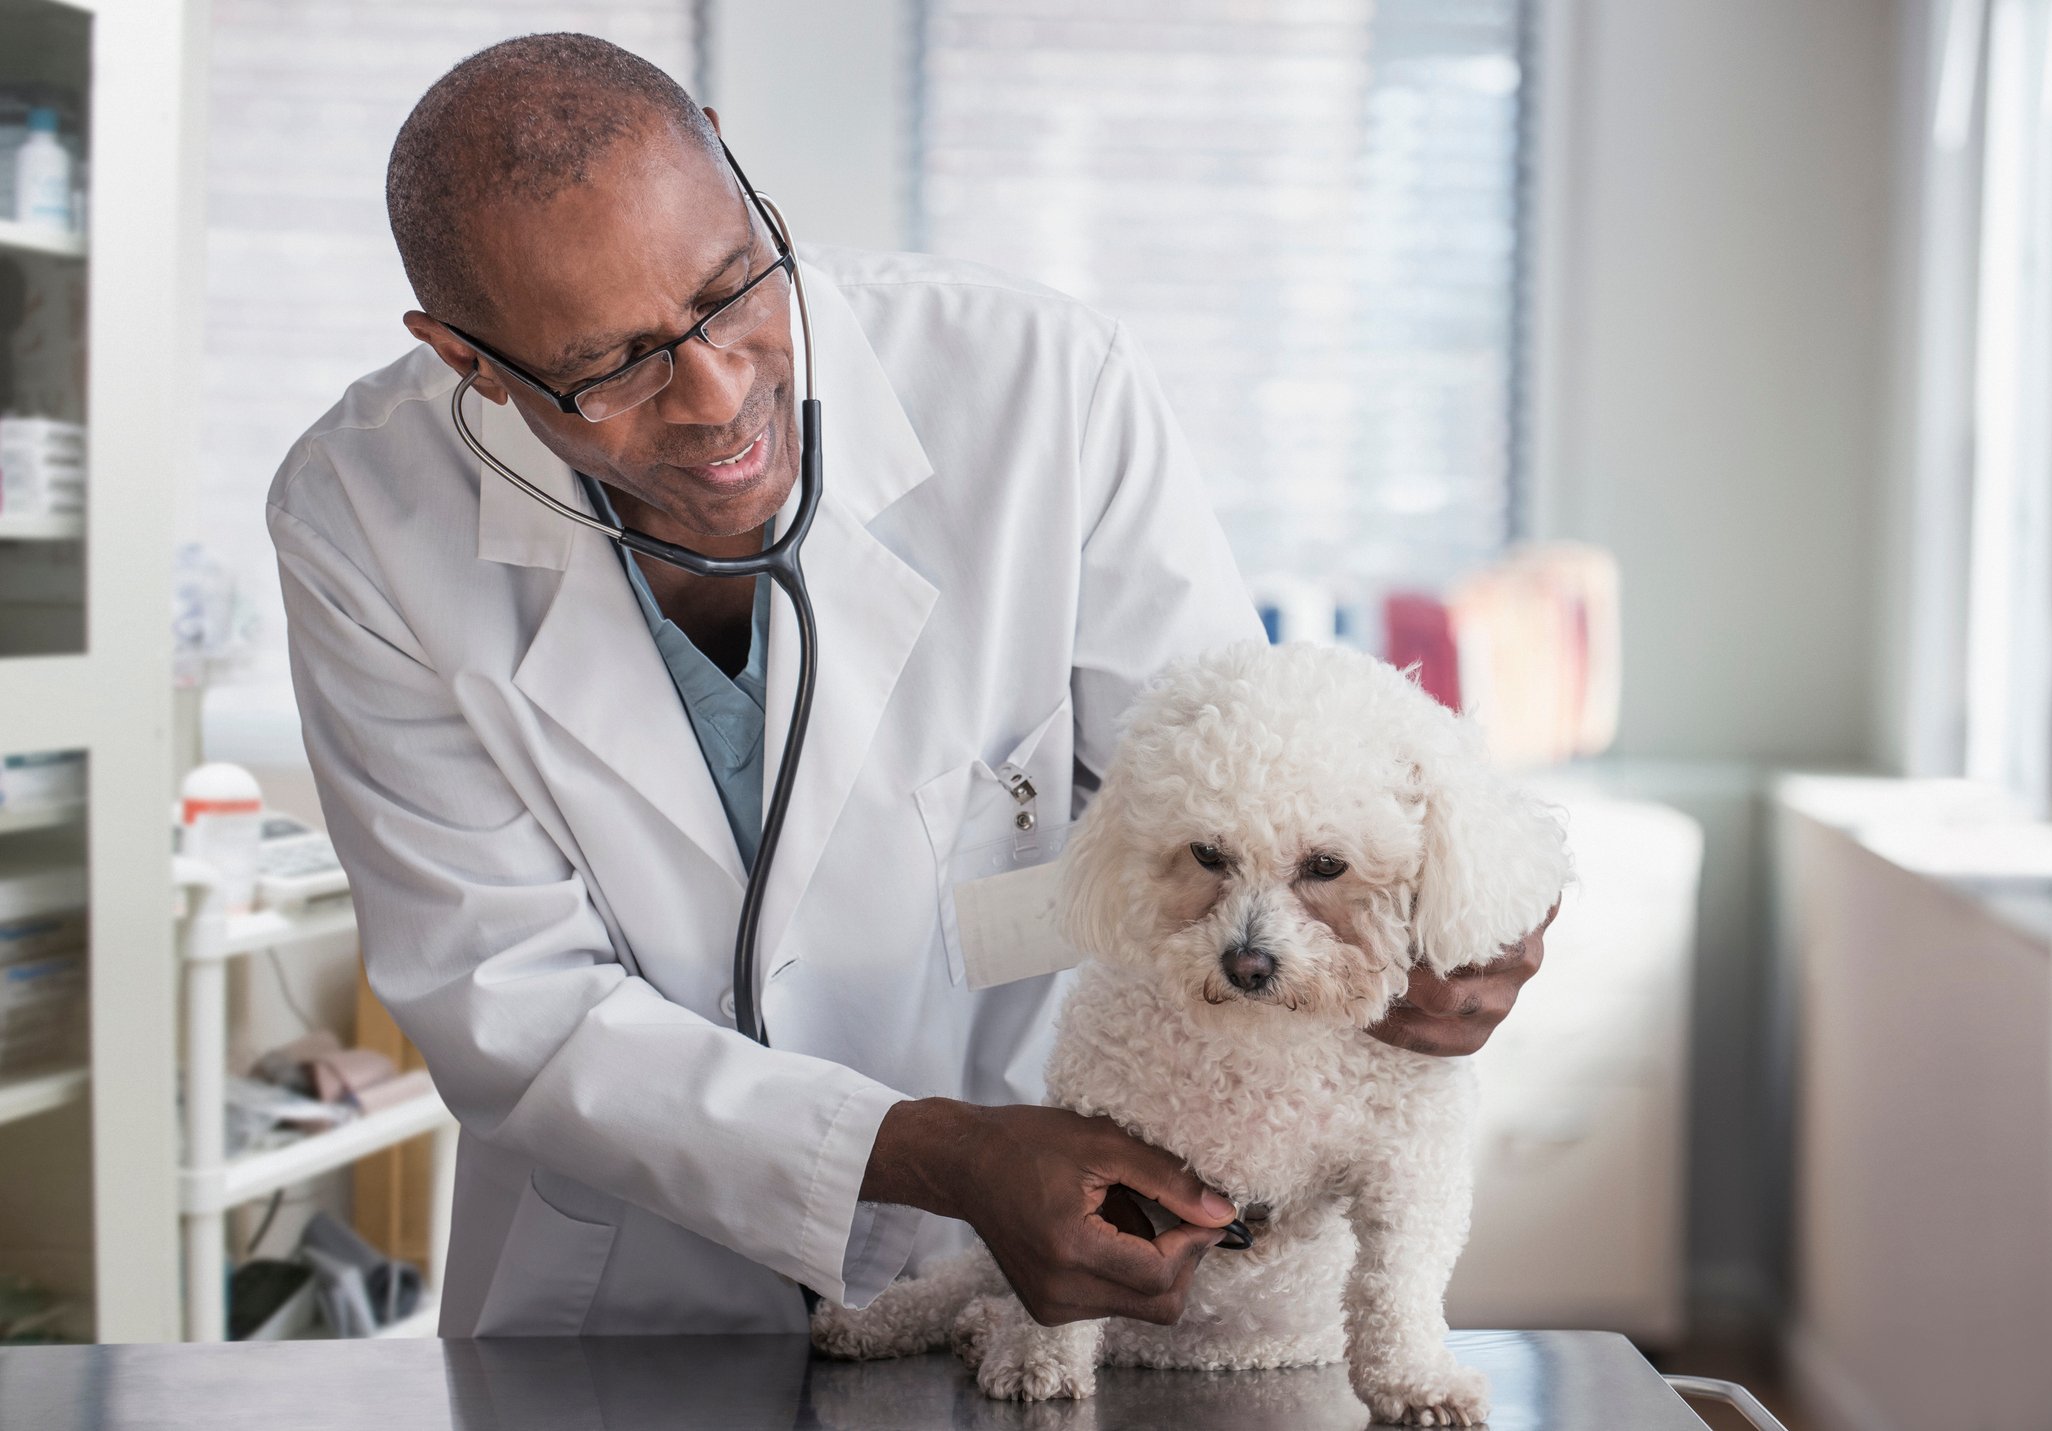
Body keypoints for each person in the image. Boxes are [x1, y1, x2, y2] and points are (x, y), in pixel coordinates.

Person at [266, 33, 1553, 1337]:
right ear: (469, 360)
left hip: (1054, 1272)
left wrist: (1447, 930)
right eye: (611, 368)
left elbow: (1248, 780)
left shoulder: (1042, 388)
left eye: (731, 288)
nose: (716, 396)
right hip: (624, 1305)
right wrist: (932, 1150)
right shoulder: (363, 517)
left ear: (733, 163)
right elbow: (508, 1000)